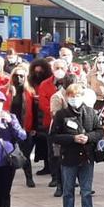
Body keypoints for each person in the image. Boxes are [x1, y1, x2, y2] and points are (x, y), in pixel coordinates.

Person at [49, 83, 104, 207]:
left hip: (86, 157)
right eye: (71, 96)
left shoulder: (91, 112)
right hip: (69, 158)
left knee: (86, 191)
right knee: (68, 191)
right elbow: (54, 136)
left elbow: (100, 132)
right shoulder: (61, 115)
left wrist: (88, 137)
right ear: (67, 97)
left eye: (77, 96)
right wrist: (72, 138)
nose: (75, 99)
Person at [37, 58, 67, 190]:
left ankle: (70, 177)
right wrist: (56, 114)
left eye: (62, 68)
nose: (59, 71)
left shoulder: (70, 82)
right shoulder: (45, 84)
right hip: (51, 122)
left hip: (70, 123)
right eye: (56, 68)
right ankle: (55, 177)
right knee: (54, 151)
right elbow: (43, 104)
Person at [7, 65, 38, 188]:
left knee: (25, 154)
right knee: (9, 154)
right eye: (16, 76)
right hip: (9, 127)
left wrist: (34, 128)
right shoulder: (6, 91)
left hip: (25, 127)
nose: (18, 78)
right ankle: (8, 179)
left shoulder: (30, 92)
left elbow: (35, 112)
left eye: (21, 76)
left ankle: (29, 178)